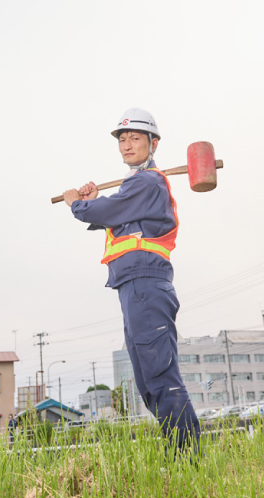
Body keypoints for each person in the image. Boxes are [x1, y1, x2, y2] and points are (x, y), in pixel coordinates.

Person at [61, 108, 201, 451]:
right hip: (133, 284)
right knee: (147, 379)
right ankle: (179, 453)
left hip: (145, 282)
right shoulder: (139, 185)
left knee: (160, 375)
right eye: (122, 139)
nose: (126, 145)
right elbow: (114, 216)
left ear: (153, 143)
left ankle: (188, 458)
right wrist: (93, 202)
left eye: (135, 138)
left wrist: (77, 204)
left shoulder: (146, 181)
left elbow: (101, 213)